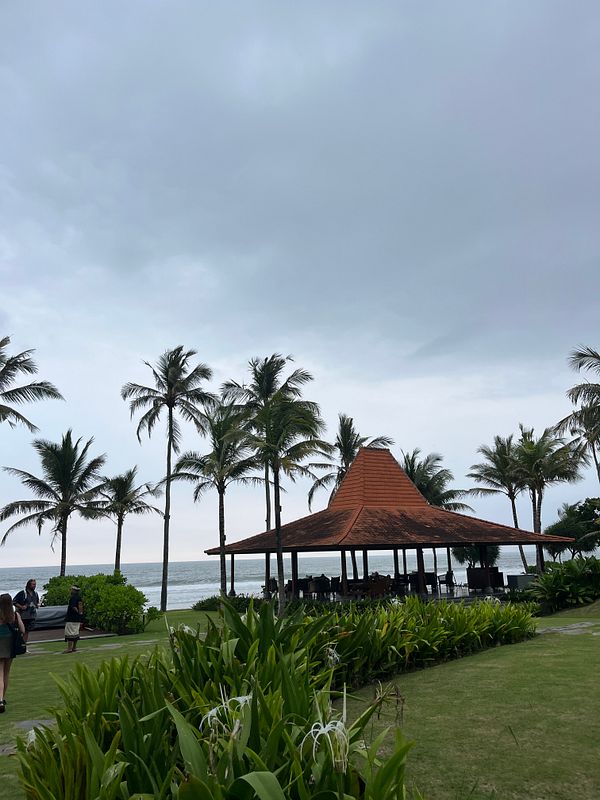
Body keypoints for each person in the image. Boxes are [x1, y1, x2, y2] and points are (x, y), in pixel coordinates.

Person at [0, 592, 25, 712]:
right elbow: (23, 630)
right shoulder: (14, 615)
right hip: (10, 645)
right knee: (6, 673)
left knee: (0, 673)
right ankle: (2, 698)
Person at [13, 578, 40, 646]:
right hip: (23, 616)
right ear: (29, 585)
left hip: (31, 616)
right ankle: (19, 645)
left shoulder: (35, 594)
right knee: (21, 631)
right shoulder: (22, 593)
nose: (34, 586)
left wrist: (37, 605)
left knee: (27, 632)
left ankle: (24, 645)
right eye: (33, 584)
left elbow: (36, 603)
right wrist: (21, 607)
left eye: (35, 584)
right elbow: (14, 601)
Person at [63, 585, 83, 654]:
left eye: (71, 589)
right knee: (75, 633)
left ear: (74, 590)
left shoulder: (73, 598)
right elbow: (81, 607)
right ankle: (74, 647)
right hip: (77, 618)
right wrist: (80, 615)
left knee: (70, 633)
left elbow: (74, 607)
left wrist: (76, 612)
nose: (70, 590)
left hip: (71, 618)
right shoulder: (79, 598)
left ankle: (69, 648)